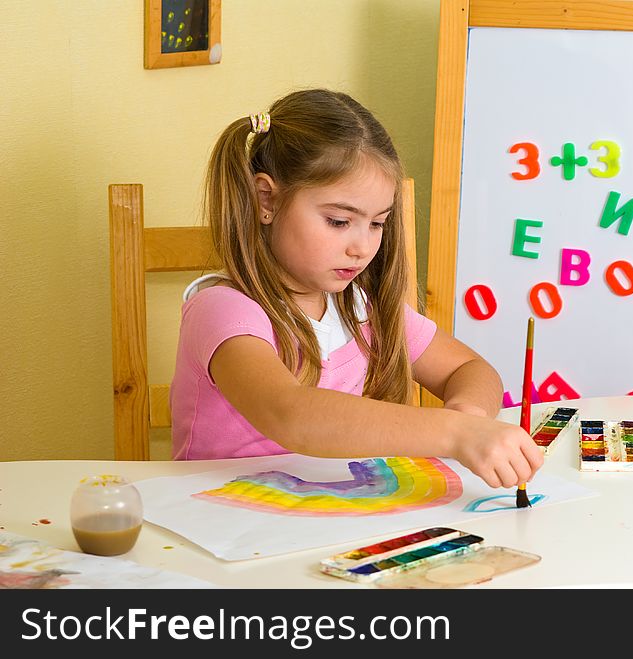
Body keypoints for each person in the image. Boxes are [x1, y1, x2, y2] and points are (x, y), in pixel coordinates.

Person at [170, 88, 543, 489]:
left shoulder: (358, 308)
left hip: (335, 521)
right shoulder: (223, 310)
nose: (362, 247)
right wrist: (453, 432)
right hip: (225, 528)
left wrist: (469, 415)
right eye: (338, 221)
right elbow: (291, 414)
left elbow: (470, 369)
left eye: (377, 223)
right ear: (267, 200)